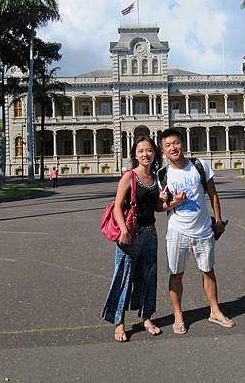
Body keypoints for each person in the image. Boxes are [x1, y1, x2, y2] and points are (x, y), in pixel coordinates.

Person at [101, 135, 186, 342]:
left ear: (154, 153)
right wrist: (123, 230)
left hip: (150, 233)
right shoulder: (129, 176)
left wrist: (174, 202)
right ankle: (119, 322)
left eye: (149, 150)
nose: (145, 154)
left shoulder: (155, 179)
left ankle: (146, 317)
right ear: (135, 154)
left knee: (149, 278)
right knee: (124, 277)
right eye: (140, 151)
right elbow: (118, 207)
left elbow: (157, 208)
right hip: (130, 233)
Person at [158, 128, 235, 334]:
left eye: (176, 143)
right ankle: (178, 315)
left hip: (202, 229)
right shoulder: (162, 174)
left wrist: (218, 220)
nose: (173, 147)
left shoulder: (199, 166)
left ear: (182, 144)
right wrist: (175, 200)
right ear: (163, 150)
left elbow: (213, 194)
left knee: (208, 271)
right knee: (176, 274)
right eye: (168, 145)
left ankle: (215, 310)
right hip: (177, 231)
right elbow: (161, 207)